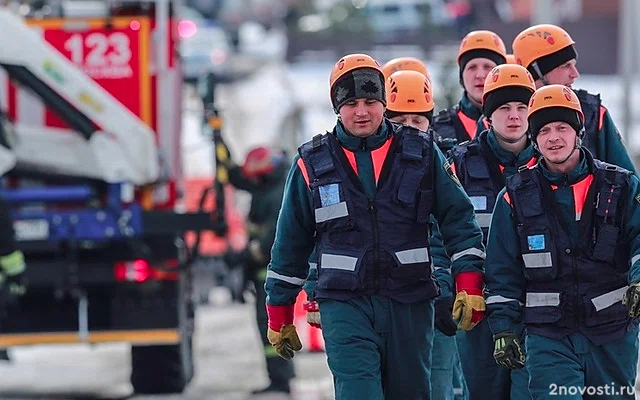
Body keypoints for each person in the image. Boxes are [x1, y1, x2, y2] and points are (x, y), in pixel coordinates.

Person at [264, 53, 486, 399]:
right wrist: (279, 311)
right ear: (337, 107)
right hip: (344, 305)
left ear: (384, 102)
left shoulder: (423, 153)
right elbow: (290, 242)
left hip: (409, 302)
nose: (362, 111)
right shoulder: (312, 164)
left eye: (370, 101)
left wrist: (469, 281)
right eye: (351, 103)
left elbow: (458, 219)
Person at [485, 84, 640, 399]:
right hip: (549, 340)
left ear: (578, 133)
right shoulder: (514, 197)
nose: (553, 137)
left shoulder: (621, 186)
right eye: (543, 130)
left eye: (562, 127)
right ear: (534, 138)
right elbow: (502, 272)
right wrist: (504, 329)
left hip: (610, 337)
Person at [447, 63, 537, 400]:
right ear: (487, 116)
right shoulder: (457, 165)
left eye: (522, 107)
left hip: (540, 309)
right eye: (503, 108)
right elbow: (440, 233)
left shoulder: (553, 164)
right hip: (478, 307)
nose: (514, 116)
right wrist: (452, 287)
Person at [218, 143, 294, 397]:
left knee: (272, 325)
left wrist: (243, 256)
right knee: (272, 325)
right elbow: (241, 179)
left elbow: (272, 237)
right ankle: (281, 377)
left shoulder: (276, 195)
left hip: (272, 272)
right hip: (265, 272)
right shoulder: (269, 183)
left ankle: (281, 380)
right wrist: (221, 147)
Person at [512, 24, 636, 173]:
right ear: (538, 71)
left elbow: (631, 183)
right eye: (565, 66)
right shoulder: (509, 116)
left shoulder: (593, 112)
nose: (575, 74)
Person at [432, 30, 507, 151]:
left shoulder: (521, 124)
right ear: (461, 76)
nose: (480, 75)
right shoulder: (438, 130)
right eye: (472, 67)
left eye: (488, 67)